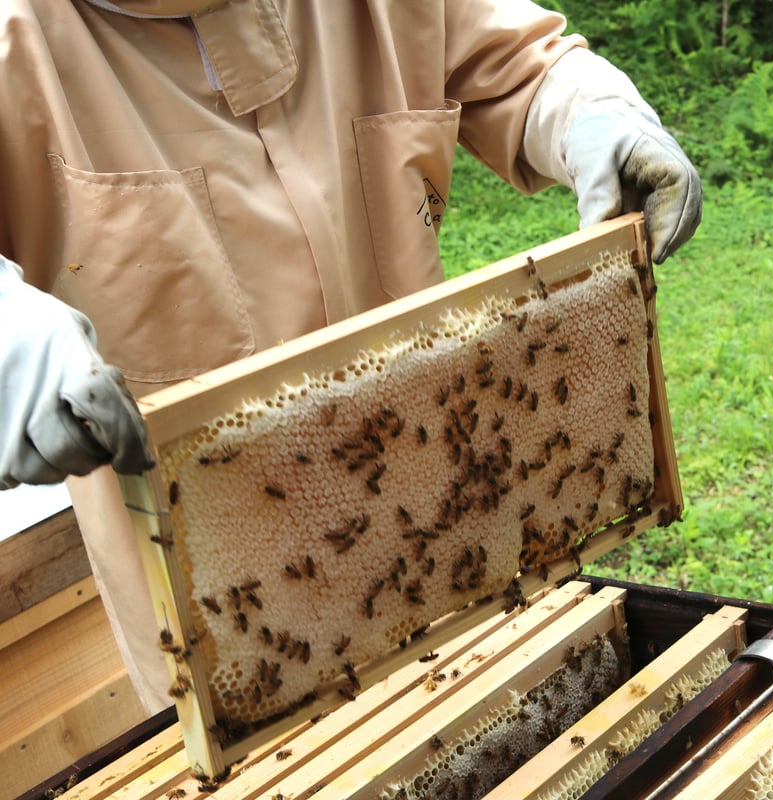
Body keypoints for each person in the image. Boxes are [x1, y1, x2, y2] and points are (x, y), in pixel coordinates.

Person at [0, 0, 701, 713]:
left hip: (445, 532)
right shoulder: (12, 39)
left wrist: (594, 113)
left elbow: (519, 65)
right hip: (235, 633)